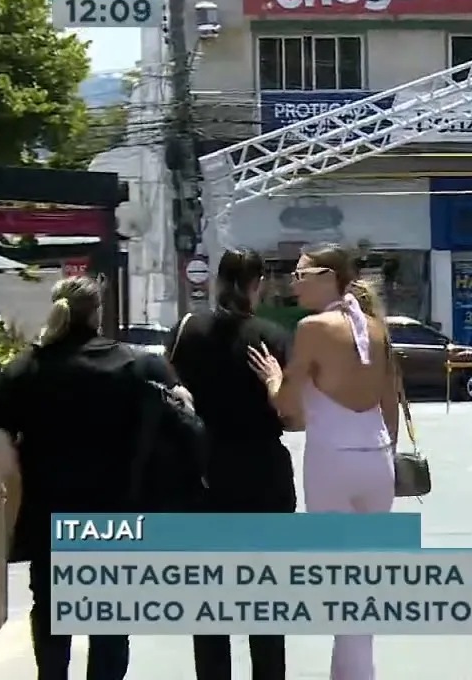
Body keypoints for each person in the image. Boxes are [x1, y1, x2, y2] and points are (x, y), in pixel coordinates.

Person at [0, 276, 188, 680]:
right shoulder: (136, 364)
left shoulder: (26, 368)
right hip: (116, 510)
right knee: (110, 622)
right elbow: (186, 412)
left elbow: (2, 448)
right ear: (98, 313)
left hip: (49, 512)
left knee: (48, 609)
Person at [246, 243, 398, 680]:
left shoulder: (313, 328)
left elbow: (285, 403)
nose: (293, 283)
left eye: (300, 275)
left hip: (332, 461)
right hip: (377, 460)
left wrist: (274, 377)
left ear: (329, 277)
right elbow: (387, 403)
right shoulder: (375, 327)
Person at [167, 249, 297, 680]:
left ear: (219, 281)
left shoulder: (187, 330)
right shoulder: (271, 336)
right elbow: (291, 417)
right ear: (257, 284)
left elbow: (170, 394)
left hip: (201, 474)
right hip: (262, 473)